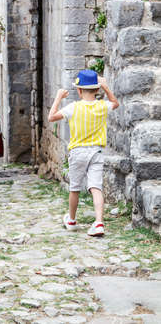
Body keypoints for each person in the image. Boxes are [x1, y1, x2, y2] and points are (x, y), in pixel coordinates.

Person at [48, 69, 119, 237]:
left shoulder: (73, 107)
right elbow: (115, 103)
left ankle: (71, 220)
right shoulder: (103, 106)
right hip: (96, 152)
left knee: (75, 188)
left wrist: (58, 97)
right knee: (96, 187)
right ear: (97, 89)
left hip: (78, 152)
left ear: (79, 90)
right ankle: (99, 223)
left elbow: (51, 117)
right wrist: (106, 88)